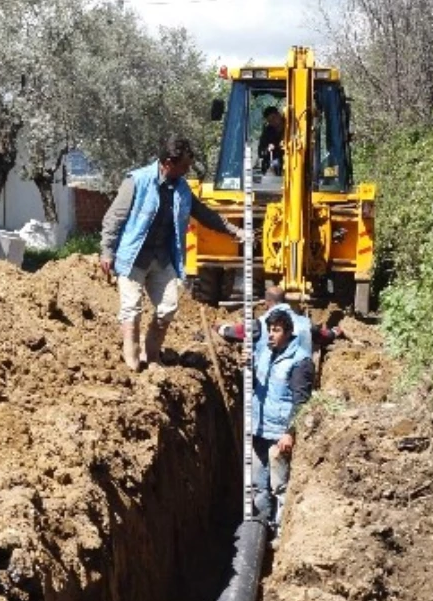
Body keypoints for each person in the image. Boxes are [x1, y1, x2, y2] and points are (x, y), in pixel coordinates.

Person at [100, 134, 245, 371]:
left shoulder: (182, 189)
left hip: (162, 258)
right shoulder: (137, 181)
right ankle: (132, 362)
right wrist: (107, 251)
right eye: (184, 166)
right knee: (132, 308)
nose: (187, 170)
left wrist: (233, 230)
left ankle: (152, 355)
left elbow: (204, 214)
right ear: (168, 162)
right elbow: (114, 218)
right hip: (133, 257)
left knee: (168, 307)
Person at [250, 308, 314, 532]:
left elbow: (301, 401)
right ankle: (261, 528)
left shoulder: (300, 362)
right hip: (259, 430)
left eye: (276, 330)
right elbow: (257, 385)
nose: (270, 335)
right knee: (258, 485)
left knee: (279, 487)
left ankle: (280, 533)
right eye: (269, 330)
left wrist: (290, 431)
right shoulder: (267, 353)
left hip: (279, 435)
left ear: (288, 332)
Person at [258, 106, 284, 174]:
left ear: (279, 114)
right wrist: (267, 149)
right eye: (270, 121)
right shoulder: (267, 132)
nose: (273, 122)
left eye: (274, 118)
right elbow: (261, 152)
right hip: (275, 164)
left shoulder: (291, 125)